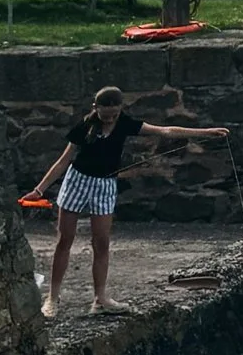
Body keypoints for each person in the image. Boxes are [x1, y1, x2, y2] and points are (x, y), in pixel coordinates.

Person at [31, 84, 229, 318]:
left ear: (121, 109)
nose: (110, 118)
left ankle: (100, 299)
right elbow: (63, 161)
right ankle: (52, 297)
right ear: (96, 108)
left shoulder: (125, 123)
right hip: (78, 180)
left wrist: (204, 133)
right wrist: (39, 190)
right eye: (106, 115)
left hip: (105, 184)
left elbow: (165, 131)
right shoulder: (84, 126)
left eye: (114, 114)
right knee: (65, 239)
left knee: (101, 242)